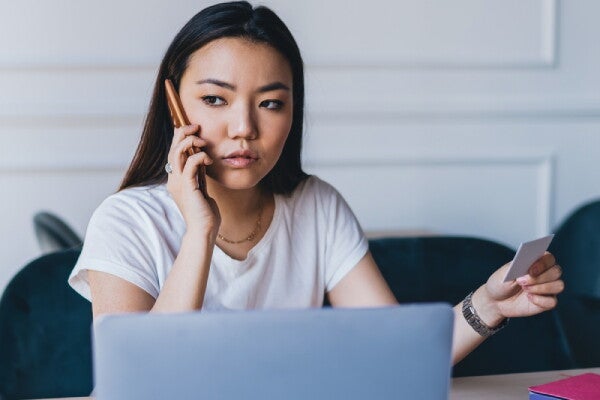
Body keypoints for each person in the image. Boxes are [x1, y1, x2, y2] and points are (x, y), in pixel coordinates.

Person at [68, 1, 564, 365]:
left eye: (270, 103)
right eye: (215, 100)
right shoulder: (125, 221)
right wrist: (198, 232)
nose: (243, 127)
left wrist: (488, 304)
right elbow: (137, 382)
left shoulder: (316, 206)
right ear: (175, 106)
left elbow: (396, 354)